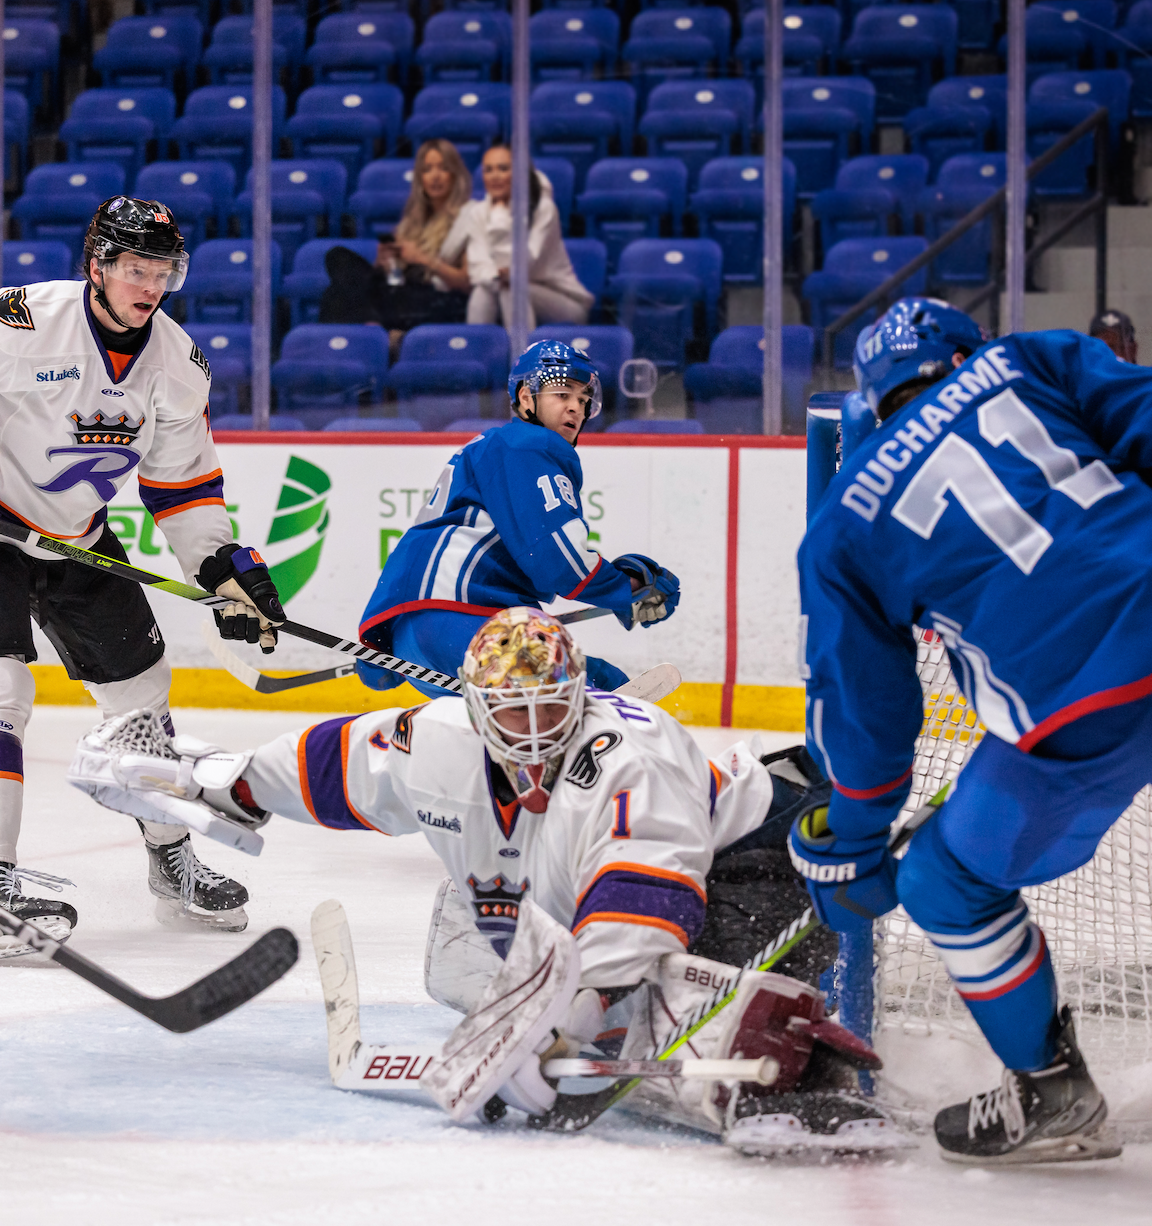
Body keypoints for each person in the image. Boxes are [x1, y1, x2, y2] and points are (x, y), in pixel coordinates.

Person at [71, 608, 899, 1153]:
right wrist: (215, 782)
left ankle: (802, 1082)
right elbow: (330, 766)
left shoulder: (629, 759)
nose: (534, 735)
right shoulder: (436, 740)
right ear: (474, 710)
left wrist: (566, 1024)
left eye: (550, 711)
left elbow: (645, 901)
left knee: (684, 989)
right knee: (469, 964)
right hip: (601, 889)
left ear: (579, 699)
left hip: (759, 853)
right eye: (513, 714)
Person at [786, 295, 1152, 1164]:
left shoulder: (844, 521)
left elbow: (868, 721)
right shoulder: (1032, 359)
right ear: (964, 353)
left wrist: (858, 841)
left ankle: (1050, 1086)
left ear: (874, 404)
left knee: (947, 886)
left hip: (1078, 708)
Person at [0, 196, 285, 946]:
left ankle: (170, 861)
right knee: (3, 692)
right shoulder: (21, 321)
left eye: (163, 269)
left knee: (141, 700)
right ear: (96, 265)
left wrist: (221, 568)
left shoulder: (177, 362)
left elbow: (182, 484)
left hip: (80, 539)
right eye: (135, 267)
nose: (150, 283)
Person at [355, 339, 680, 705]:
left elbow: (420, 547)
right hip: (465, 619)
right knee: (602, 690)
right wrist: (627, 587)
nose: (576, 406)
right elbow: (559, 560)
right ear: (527, 398)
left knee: (497, 736)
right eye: (563, 394)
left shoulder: (488, 447)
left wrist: (385, 642)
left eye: (584, 399)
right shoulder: (529, 445)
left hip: (411, 632)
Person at [320, 139, 472, 340]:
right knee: (338, 256)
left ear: (455, 175)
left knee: (337, 295)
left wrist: (423, 259)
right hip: (401, 292)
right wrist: (385, 264)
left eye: (443, 168)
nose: (435, 176)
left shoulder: (468, 218)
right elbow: (396, 275)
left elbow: (467, 283)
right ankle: (376, 332)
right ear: (420, 178)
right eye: (427, 170)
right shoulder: (412, 221)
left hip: (434, 297)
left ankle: (366, 339)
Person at [457, 142, 593, 331]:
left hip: (563, 301)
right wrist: (497, 275)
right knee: (483, 290)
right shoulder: (478, 212)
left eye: (503, 169)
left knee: (511, 288)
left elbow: (526, 262)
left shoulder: (544, 209)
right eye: (488, 170)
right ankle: (475, 353)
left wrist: (500, 220)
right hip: (503, 289)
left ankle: (523, 356)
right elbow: (477, 265)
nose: (495, 176)